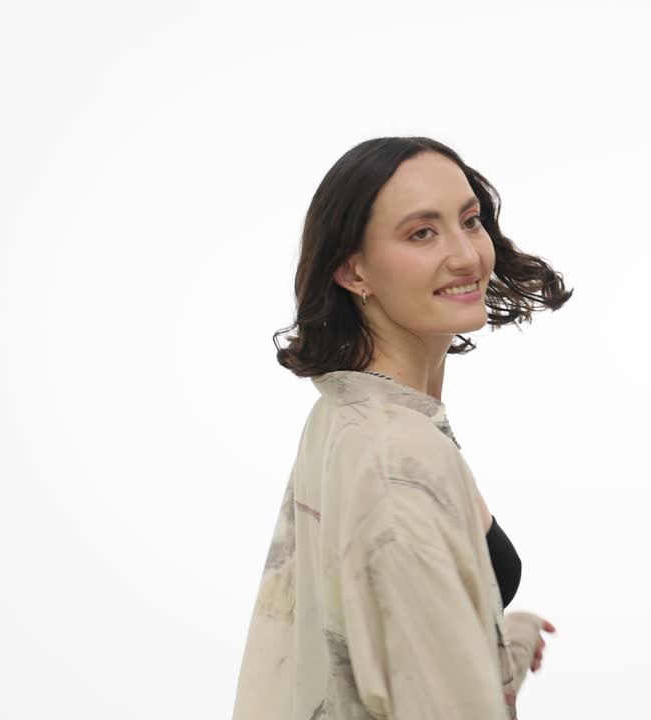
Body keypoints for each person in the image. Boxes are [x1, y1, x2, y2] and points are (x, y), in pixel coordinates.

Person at [232, 136, 573, 719]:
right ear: (352, 269)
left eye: (470, 221)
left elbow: (365, 646)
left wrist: (492, 643)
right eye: (422, 233)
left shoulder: (345, 414)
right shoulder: (397, 460)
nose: (467, 255)